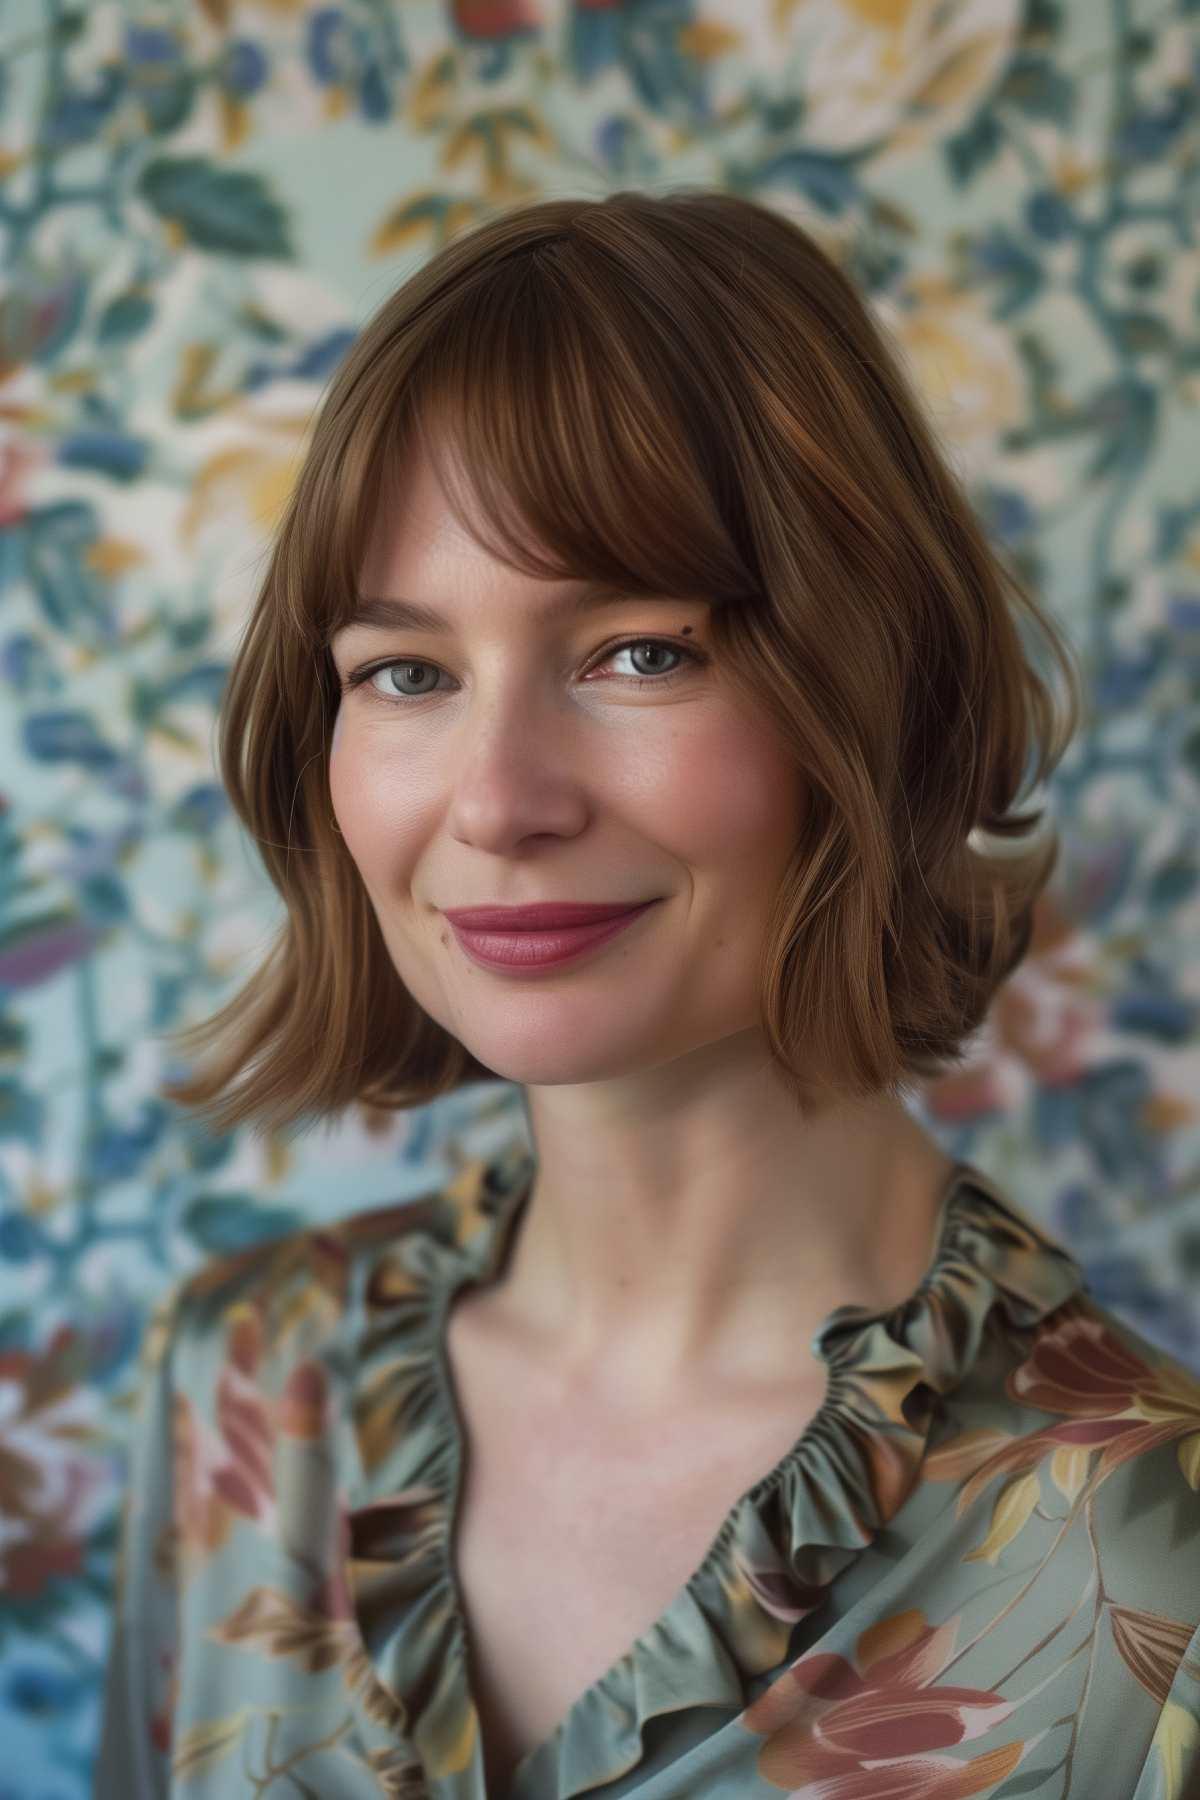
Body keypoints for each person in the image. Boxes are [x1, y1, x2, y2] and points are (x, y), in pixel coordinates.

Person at [95, 188, 1200, 1800]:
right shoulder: (242, 1387)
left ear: (874, 688)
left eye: (639, 652)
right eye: (407, 672)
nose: (498, 801)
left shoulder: (1149, 1572)